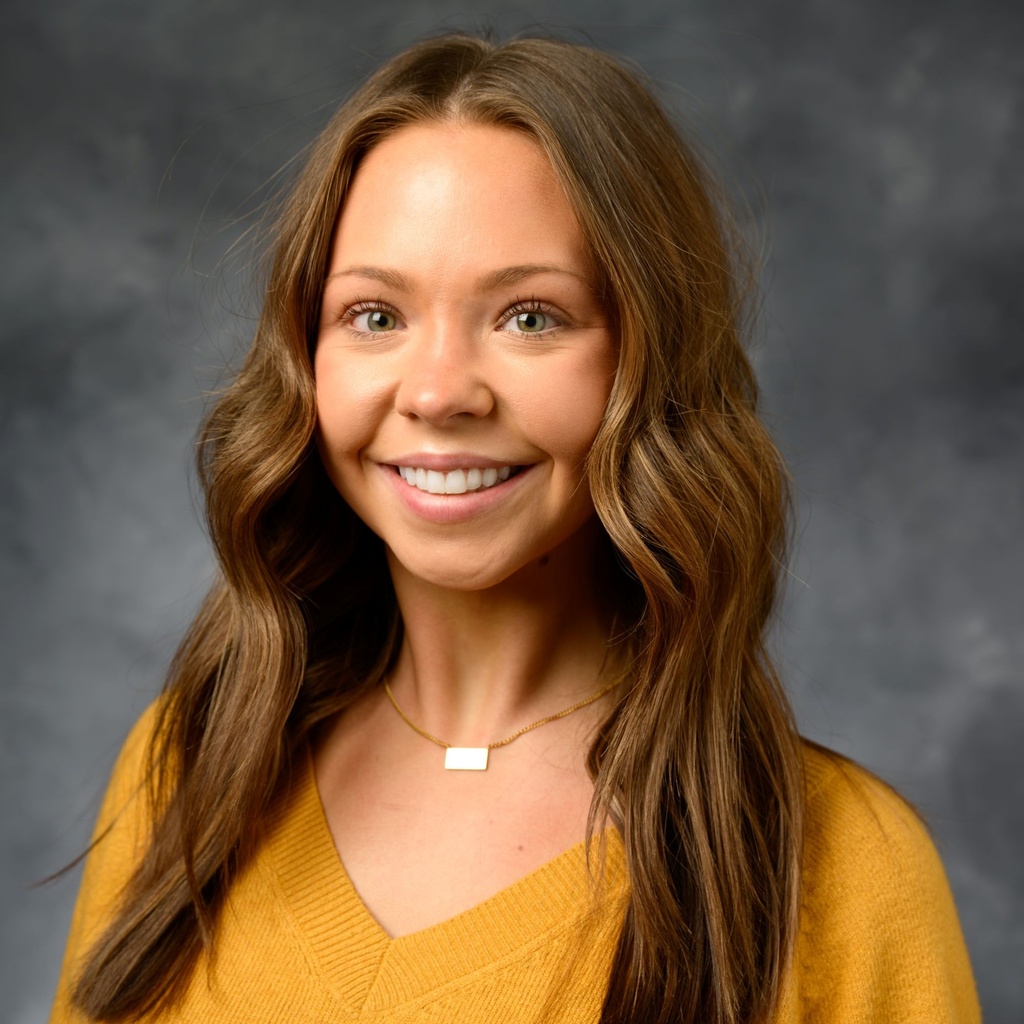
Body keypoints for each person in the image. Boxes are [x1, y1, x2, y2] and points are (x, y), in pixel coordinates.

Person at [50, 32, 980, 1024]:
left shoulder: (844, 871)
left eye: (530, 316)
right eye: (375, 315)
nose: (438, 392)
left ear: (646, 363)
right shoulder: (189, 776)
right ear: (304, 356)